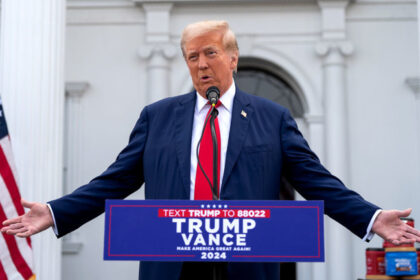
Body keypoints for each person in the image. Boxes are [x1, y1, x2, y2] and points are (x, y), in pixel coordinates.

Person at [2, 20, 420, 280]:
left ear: (233, 58)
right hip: (172, 266)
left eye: (210, 53)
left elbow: (316, 181)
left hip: (247, 266)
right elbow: (115, 181)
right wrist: (57, 211)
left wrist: (371, 217)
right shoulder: (158, 117)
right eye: (191, 57)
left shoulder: (271, 118)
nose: (201, 64)